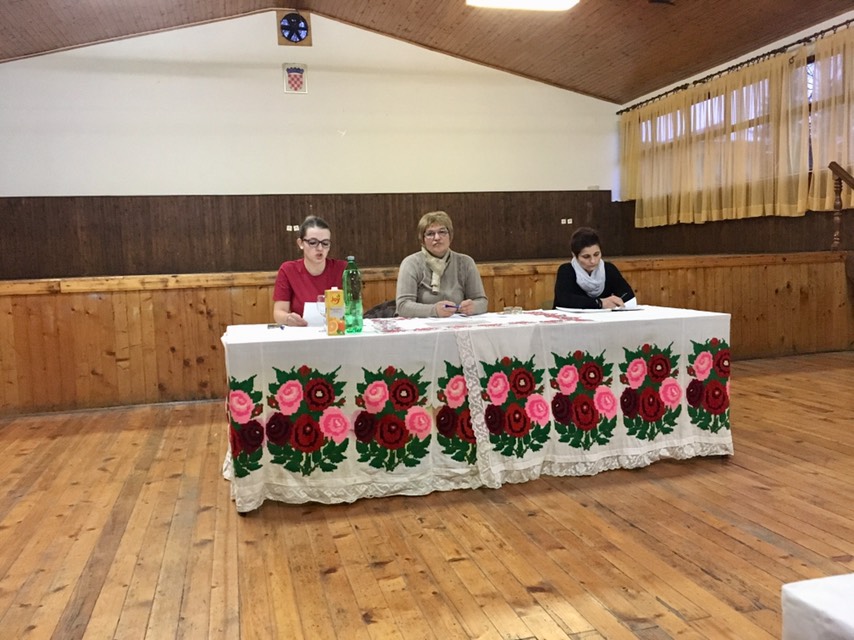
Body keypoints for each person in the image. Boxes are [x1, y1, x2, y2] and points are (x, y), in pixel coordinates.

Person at [396, 211, 488, 318]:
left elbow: (482, 302)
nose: (437, 238)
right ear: (423, 240)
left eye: (442, 232)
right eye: (430, 234)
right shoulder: (411, 263)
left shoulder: (466, 262)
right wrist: (434, 310)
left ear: (450, 236)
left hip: (457, 323)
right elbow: (403, 306)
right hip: (423, 325)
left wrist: (474, 307)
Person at [273, 216, 347, 326]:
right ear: (301, 243)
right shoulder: (288, 270)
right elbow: (279, 312)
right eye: (313, 242)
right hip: (302, 330)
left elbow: (355, 307)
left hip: (336, 330)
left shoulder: (343, 269)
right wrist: (287, 318)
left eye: (325, 243)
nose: (320, 248)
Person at [553, 227, 634, 310]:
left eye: (596, 254)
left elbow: (628, 294)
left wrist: (617, 301)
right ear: (574, 255)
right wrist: (600, 303)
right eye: (586, 256)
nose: (593, 261)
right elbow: (565, 300)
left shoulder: (609, 269)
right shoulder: (566, 271)